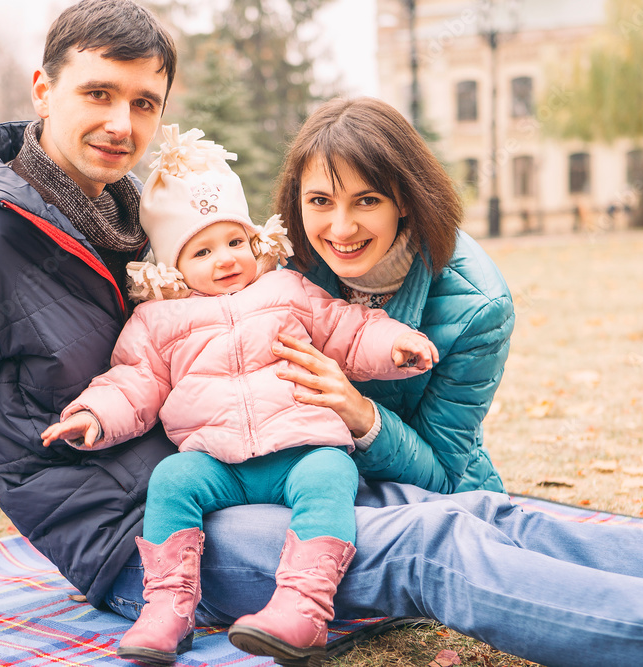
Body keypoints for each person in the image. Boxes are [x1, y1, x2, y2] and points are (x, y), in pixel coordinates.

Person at [0, 2, 643, 664]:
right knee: (429, 552)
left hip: (240, 469)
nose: (122, 122)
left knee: (479, 513)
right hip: (145, 542)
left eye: (144, 101)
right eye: (97, 94)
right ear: (43, 88)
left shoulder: (116, 216)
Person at [39, 124, 438, 664]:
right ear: (172, 266)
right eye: (202, 250)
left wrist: (395, 344)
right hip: (217, 462)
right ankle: (168, 606)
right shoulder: (157, 321)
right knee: (172, 480)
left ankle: (303, 606)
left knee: (331, 475)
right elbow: (135, 381)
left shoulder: (286, 289)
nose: (225, 259)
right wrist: (94, 414)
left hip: (301, 449)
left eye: (235, 241)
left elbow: (348, 328)